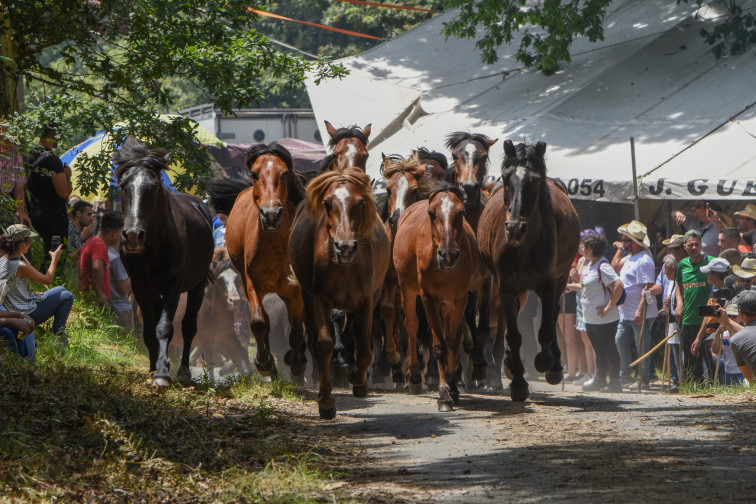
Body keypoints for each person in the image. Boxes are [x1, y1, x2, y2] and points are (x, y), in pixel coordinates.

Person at [0, 224, 73, 347]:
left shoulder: (2, 260)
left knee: (61, 290)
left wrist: (31, 294)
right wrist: (54, 258)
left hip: (9, 309)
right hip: (23, 312)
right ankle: (59, 336)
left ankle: (58, 335)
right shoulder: (20, 266)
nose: (30, 242)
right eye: (29, 240)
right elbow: (47, 280)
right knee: (67, 296)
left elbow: (12, 286)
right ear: (23, 243)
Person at [613, 220, 658, 390]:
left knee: (642, 345)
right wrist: (620, 249)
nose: (623, 243)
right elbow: (613, 267)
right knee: (620, 340)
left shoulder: (645, 260)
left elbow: (647, 288)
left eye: (626, 240)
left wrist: (640, 310)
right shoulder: (630, 257)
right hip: (625, 311)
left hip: (641, 312)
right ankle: (624, 375)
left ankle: (643, 378)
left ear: (634, 242)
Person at [577, 232, 624, 393]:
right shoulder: (590, 264)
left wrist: (609, 306)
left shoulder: (603, 266)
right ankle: (600, 378)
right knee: (598, 348)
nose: (582, 248)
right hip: (590, 317)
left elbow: (618, 284)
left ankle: (615, 381)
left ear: (590, 249)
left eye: (584, 246)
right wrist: (570, 286)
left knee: (608, 347)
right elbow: (587, 285)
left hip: (605, 318)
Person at [26, 124, 73, 256]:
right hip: (53, 215)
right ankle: (54, 275)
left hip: (34, 210)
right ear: (53, 137)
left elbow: (25, 185)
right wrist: (67, 175)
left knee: (40, 252)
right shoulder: (52, 160)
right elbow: (63, 193)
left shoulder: (28, 156)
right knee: (55, 253)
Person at [674, 230, 714, 383]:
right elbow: (679, 284)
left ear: (701, 245)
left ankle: (714, 384)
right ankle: (692, 386)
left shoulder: (710, 261)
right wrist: (679, 303)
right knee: (690, 356)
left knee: (709, 355)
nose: (694, 248)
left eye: (697, 244)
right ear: (685, 246)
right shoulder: (683, 264)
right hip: (689, 316)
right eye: (690, 245)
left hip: (707, 313)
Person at [650, 254, 680, 392]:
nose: (664, 273)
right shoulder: (670, 282)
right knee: (672, 350)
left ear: (673, 268)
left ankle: (680, 381)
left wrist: (670, 306)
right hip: (670, 319)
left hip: (677, 321)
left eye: (665, 269)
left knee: (677, 351)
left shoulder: (678, 283)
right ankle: (675, 379)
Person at [79, 212, 123, 304]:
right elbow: (96, 267)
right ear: (114, 233)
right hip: (95, 301)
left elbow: (75, 257)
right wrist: (99, 293)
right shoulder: (99, 245)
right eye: (120, 233)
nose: (120, 237)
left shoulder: (91, 241)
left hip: (89, 297)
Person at [715, 290, 756, 380]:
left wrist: (727, 322)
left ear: (740, 313)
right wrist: (727, 322)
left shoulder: (736, 340)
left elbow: (751, 379)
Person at [106, 215, 132, 329]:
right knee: (129, 343)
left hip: (113, 307)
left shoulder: (106, 252)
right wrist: (136, 274)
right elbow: (124, 288)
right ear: (114, 234)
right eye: (123, 232)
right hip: (121, 309)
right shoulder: (114, 257)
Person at [0, 131, 30, 226]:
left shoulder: (15, 153)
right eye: (3, 138)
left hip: (8, 203)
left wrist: (20, 210)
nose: (8, 142)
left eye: (11, 139)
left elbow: (19, 185)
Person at [711, 302, 745, 386]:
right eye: (729, 316)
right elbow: (715, 351)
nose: (731, 319)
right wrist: (717, 334)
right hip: (728, 371)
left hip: (741, 372)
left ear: (740, 317)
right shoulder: (724, 333)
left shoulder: (743, 331)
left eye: (734, 317)